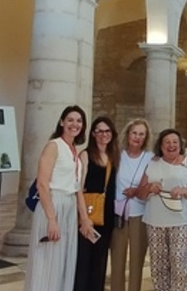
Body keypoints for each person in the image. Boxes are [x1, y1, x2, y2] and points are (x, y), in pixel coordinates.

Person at [24, 105, 94, 290]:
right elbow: (42, 184)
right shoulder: (53, 146)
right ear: (62, 122)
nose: (74, 124)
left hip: (69, 208)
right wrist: (52, 219)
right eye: (70, 120)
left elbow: (77, 187)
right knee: (47, 260)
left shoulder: (74, 151)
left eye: (79, 121)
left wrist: (85, 219)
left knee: (63, 260)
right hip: (52, 205)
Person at [137, 129, 187, 291]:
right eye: (167, 142)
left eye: (175, 142)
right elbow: (140, 193)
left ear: (180, 145)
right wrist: (150, 187)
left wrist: (183, 191)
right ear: (161, 146)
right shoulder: (152, 164)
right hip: (154, 221)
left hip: (180, 221)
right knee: (158, 265)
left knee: (179, 263)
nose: (171, 145)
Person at [74, 116, 119, 291]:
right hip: (89, 216)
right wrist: (84, 219)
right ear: (93, 134)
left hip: (106, 217)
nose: (103, 134)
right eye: (99, 131)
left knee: (100, 264)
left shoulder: (113, 156)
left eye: (107, 131)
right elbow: (78, 188)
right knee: (84, 262)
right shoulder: (85, 155)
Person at [110, 118, 153, 291]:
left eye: (141, 134)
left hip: (140, 213)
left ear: (146, 137)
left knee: (137, 260)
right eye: (134, 133)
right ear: (128, 134)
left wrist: (137, 191)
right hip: (119, 213)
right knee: (117, 260)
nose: (137, 137)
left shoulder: (150, 158)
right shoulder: (117, 156)